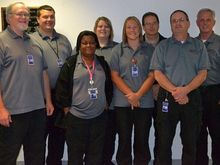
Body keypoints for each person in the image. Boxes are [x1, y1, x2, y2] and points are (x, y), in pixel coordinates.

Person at [150, 10, 209, 165]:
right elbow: (157, 73)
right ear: (170, 25)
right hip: (168, 97)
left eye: (181, 20)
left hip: (192, 96)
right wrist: (176, 91)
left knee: (191, 141)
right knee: (164, 141)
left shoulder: (198, 46)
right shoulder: (163, 46)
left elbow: (203, 73)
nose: (177, 23)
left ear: (188, 23)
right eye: (174, 21)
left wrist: (186, 90)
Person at [0, 2, 54, 165]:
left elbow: (43, 73)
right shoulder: (2, 42)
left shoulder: (35, 42)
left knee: (36, 156)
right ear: (9, 18)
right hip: (12, 112)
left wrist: (48, 101)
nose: (24, 17)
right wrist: (1, 108)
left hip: (37, 110)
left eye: (26, 14)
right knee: (7, 156)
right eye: (20, 14)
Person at [55, 30, 113, 165]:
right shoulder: (71, 63)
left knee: (95, 154)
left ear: (96, 45)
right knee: (75, 155)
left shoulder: (102, 63)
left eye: (92, 42)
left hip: (99, 118)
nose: (89, 45)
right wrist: (66, 109)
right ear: (79, 45)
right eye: (85, 43)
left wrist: (106, 103)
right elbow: (61, 87)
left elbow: (109, 86)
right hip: (76, 118)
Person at [30, 5, 72, 165]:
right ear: (38, 19)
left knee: (58, 136)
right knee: (38, 138)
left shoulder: (63, 40)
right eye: (45, 17)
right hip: (39, 97)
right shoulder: (30, 40)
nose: (49, 20)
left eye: (52, 17)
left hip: (61, 97)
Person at [110, 16, 155, 165]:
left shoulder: (150, 49)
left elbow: (153, 74)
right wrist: (131, 95)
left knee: (142, 137)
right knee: (124, 138)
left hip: (145, 101)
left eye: (135, 26)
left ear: (140, 29)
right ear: (124, 30)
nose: (132, 30)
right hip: (123, 102)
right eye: (129, 27)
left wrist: (138, 95)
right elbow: (114, 75)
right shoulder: (118, 50)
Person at [195, 8, 220, 165]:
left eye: (208, 20)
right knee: (197, 134)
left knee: (217, 134)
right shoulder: (191, 43)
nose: (204, 23)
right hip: (196, 93)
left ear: (214, 22)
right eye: (201, 20)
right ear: (197, 22)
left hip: (215, 93)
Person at [142, 11, 166, 164]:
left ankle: (159, 161)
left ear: (158, 24)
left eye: (154, 23)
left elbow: (171, 68)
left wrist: (159, 86)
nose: (151, 26)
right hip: (142, 95)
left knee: (162, 132)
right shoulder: (135, 43)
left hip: (161, 94)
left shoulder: (168, 43)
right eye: (147, 24)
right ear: (143, 26)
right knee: (142, 132)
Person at [93, 16, 118, 165]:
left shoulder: (118, 48)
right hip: (90, 103)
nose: (103, 29)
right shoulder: (85, 46)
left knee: (109, 136)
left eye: (106, 26)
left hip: (112, 102)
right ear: (95, 29)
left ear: (111, 30)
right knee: (93, 137)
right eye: (100, 26)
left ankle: (106, 161)